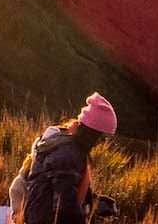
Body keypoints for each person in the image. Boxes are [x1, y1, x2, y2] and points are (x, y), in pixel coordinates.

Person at [19, 93, 117, 224]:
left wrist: (95, 202)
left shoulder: (70, 147)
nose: (102, 143)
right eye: (102, 137)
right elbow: (64, 203)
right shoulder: (67, 154)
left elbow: (68, 189)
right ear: (92, 134)